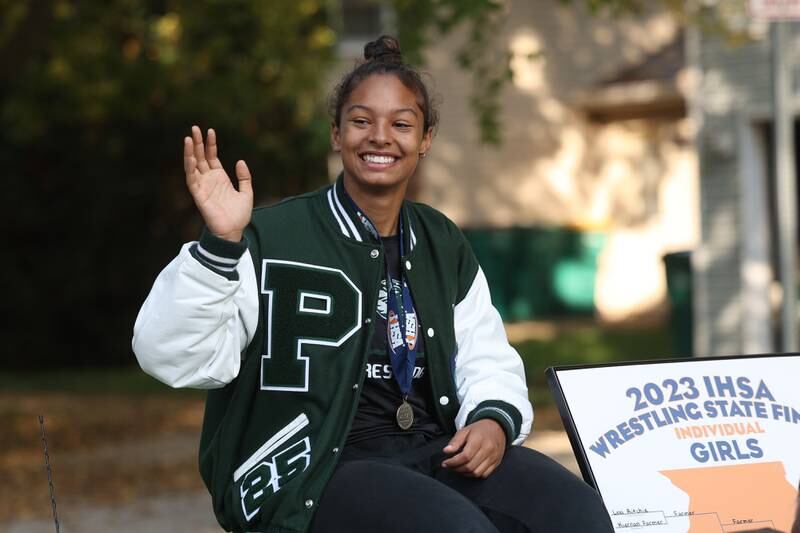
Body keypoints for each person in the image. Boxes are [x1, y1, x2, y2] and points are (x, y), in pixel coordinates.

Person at [133, 35, 614, 533]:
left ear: (425, 139)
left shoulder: (439, 240)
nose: (380, 137)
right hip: (317, 466)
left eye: (401, 124)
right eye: (361, 121)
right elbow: (167, 355)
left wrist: (493, 419)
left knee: (579, 515)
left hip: (433, 449)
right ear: (336, 134)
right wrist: (220, 242)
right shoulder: (269, 237)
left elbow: (484, 356)